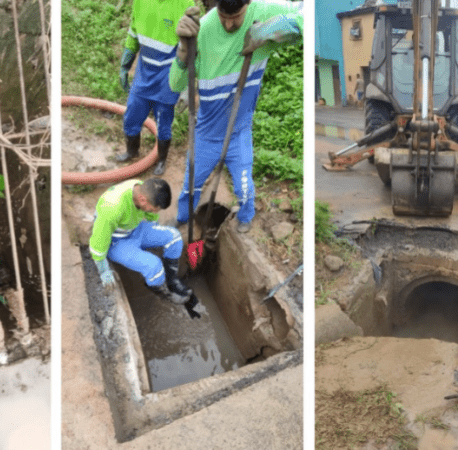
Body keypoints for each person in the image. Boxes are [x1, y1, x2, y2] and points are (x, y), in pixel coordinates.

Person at [170, 0, 303, 233]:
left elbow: (305, 13)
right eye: (223, 17)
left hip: (238, 133)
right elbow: (175, 84)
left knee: (244, 188)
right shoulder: (203, 30)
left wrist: (271, 30)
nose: (230, 25)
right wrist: (183, 49)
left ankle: (245, 216)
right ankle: (184, 217)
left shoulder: (264, 12)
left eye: (237, 17)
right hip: (206, 136)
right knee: (191, 185)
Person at [117, 0, 194, 175]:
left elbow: (192, 49)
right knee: (131, 116)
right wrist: (125, 65)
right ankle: (132, 151)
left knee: (163, 124)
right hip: (144, 74)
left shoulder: (185, 5)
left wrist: (186, 87)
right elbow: (133, 34)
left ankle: (161, 160)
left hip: (168, 78)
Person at [89, 178, 192, 305]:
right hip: (116, 242)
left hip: (134, 229)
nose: (156, 211)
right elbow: (97, 243)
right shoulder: (112, 208)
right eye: (155, 208)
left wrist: (154, 230)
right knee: (154, 265)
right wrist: (103, 270)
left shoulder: (142, 188)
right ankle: (163, 291)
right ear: (143, 199)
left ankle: (172, 280)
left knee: (174, 237)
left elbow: (151, 216)